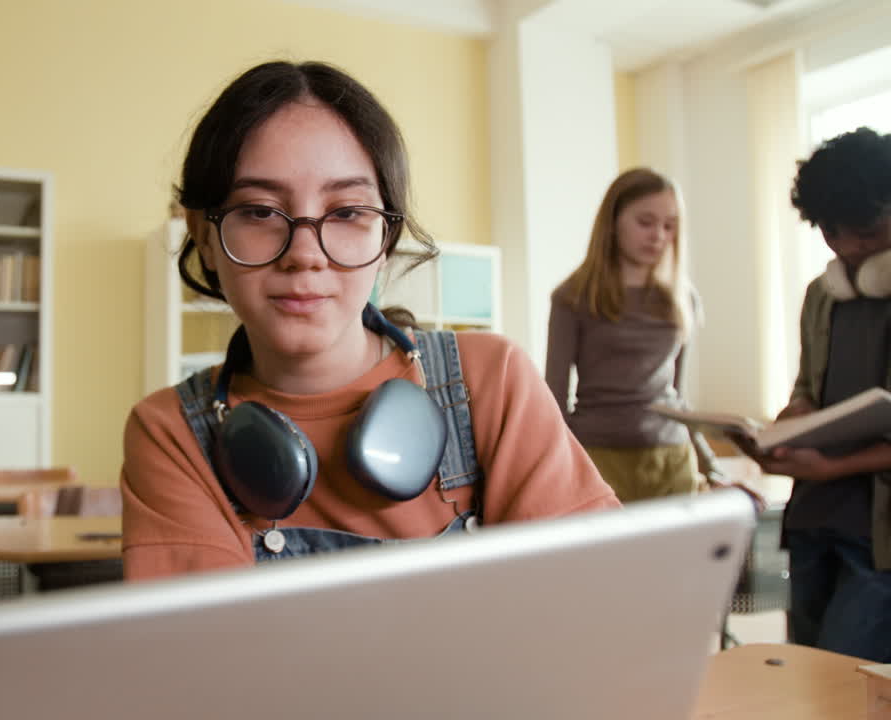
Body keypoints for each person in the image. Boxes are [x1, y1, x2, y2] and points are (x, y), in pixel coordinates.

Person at [120, 60, 618, 581]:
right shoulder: (171, 434)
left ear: (386, 241)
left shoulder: (490, 381)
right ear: (203, 236)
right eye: (261, 212)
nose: (306, 254)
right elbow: (209, 655)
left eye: (346, 212)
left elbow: (592, 597)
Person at [750, 126, 891, 662]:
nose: (850, 249)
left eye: (868, 231)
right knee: (806, 679)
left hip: (879, 545)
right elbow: (807, 389)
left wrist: (832, 466)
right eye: (833, 233)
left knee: (849, 682)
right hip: (812, 521)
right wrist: (789, 426)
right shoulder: (821, 296)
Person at [545, 168, 727, 503]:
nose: (658, 235)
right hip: (599, 460)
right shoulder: (572, 297)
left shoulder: (683, 298)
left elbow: (678, 397)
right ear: (613, 222)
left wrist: (711, 466)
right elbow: (554, 400)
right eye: (646, 222)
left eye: (669, 226)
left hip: (672, 460)